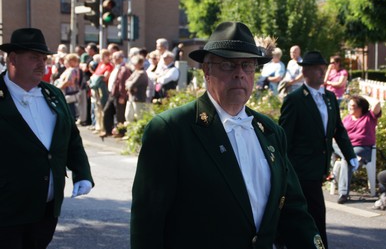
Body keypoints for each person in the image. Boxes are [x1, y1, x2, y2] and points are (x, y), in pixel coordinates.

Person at [131, 21, 324, 249]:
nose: (239, 74)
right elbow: (148, 223)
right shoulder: (171, 130)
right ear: (207, 70)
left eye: (247, 65)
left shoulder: (271, 133)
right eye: (227, 65)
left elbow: (293, 211)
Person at [0, 28, 94, 248]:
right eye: (34, 57)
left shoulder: (53, 94)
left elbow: (71, 138)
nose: (42, 64)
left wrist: (82, 173)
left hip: (47, 209)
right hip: (6, 210)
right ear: (13, 59)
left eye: (44, 58)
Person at [279, 50, 357, 249]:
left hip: (319, 168)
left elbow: (338, 130)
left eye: (323, 68)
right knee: (313, 214)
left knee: (308, 214)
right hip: (301, 169)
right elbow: (284, 137)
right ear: (305, 72)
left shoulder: (330, 98)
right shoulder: (295, 100)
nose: (322, 72)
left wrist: (350, 155)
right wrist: (284, 169)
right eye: (316, 68)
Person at [334, 95, 382, 203]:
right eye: (349, 105)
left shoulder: (369, 117)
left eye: (353, 105)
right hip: (345, 147)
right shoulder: (347, 118)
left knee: (347, 159)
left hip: (361, 148)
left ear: (361, 107)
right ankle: (352, 157)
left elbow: (377, 103)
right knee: (332, 145)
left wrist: (362, 95)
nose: (350, 107)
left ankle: (343, 193)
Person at [102, 50, 131, 138]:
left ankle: (121, 132)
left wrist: (123, 96)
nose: (113, 59)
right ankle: (108, 130)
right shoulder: (116, 67)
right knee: (107, 111)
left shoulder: (124, 69)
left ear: (121, 59)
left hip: (118, 94)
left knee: (120, 114)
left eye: (115, 58)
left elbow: (123, 84)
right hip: (112, 93)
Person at [125, 54, 149, 123]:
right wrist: (130, 85)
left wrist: (130, 86)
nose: (133, 65)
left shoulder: (142, 74)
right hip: (131, 97)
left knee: (139, 117)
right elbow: (127, 82)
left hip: (139, 99)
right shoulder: (135, 72)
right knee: (128, 116)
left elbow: (132, 84)